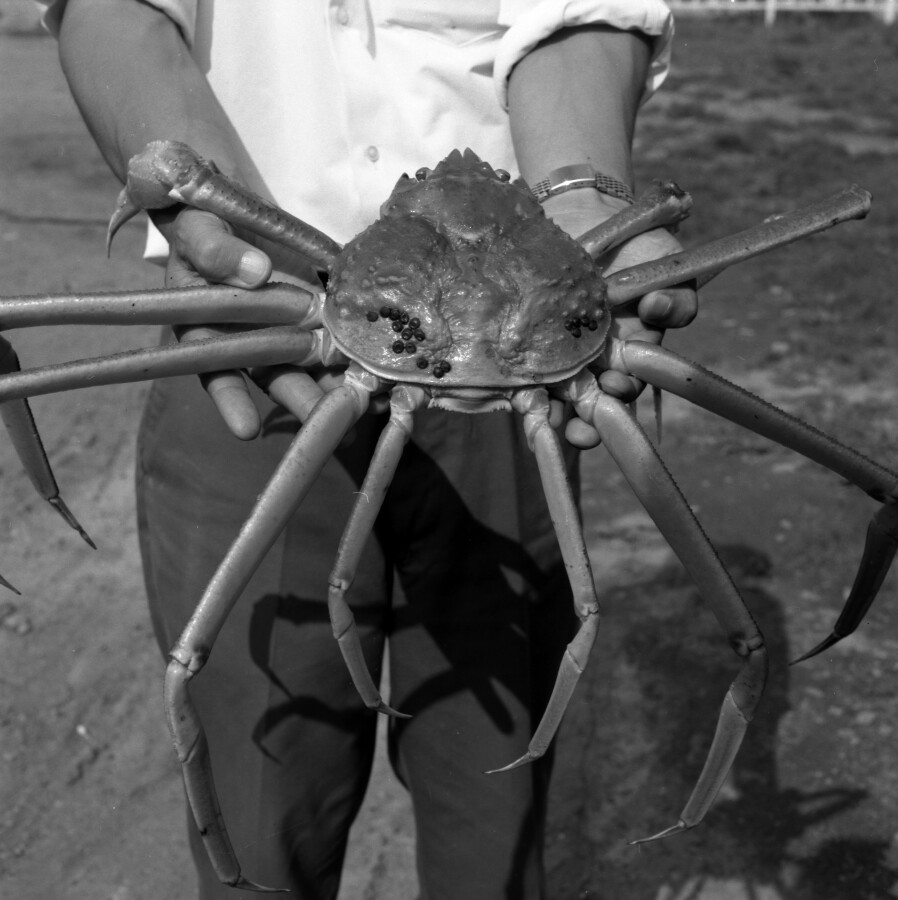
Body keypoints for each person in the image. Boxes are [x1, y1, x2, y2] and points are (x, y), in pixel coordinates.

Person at [39, 1, 697, 897]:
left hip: (528, 371)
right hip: (264, 334)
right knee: (258, 816)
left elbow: (582, 10)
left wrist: (586, 192)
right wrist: (203, 192)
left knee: (496, 821)